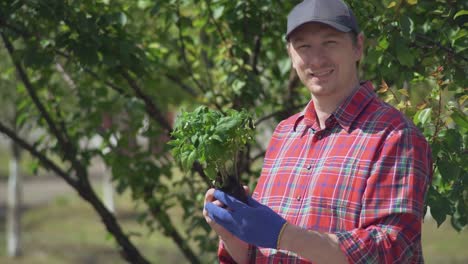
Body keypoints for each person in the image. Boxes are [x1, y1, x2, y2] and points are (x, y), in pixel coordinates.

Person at [203, 0, 432, 263]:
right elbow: (263, 254)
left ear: (358, 46)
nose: (317, 59)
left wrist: (284, 235)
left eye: (330, 43)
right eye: (303, 47)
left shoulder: (394, 135)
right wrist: (233, 233)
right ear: (290, 54)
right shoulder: (285, 133)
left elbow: (391, 251)